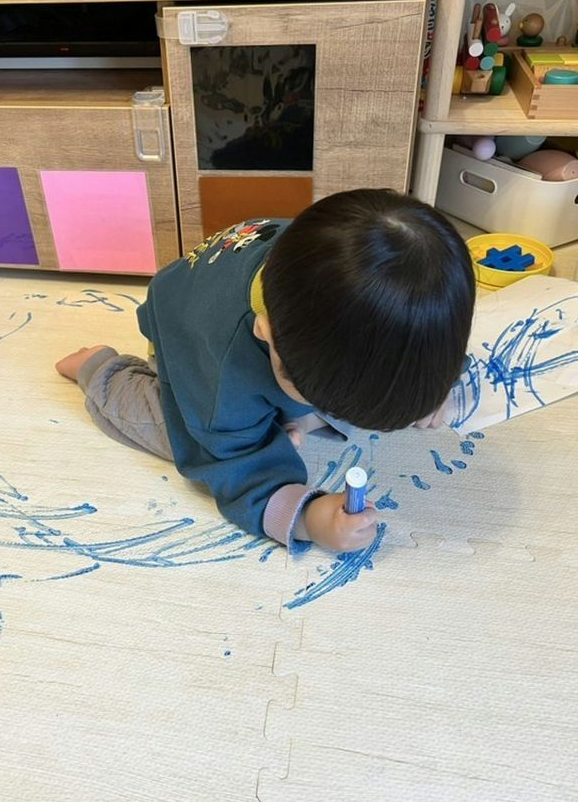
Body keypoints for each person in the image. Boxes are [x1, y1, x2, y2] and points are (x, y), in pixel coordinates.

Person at [56, 189, 476, 554]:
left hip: (267, 312)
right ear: (266, 332)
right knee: (176, 437)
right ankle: (98, 368)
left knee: (338, 386)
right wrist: (309, 517)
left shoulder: (343, 270)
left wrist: (428, 383)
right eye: (315, 398)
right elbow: (234, 467)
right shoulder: (222, 376)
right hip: (182, 343)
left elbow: (418, 333)